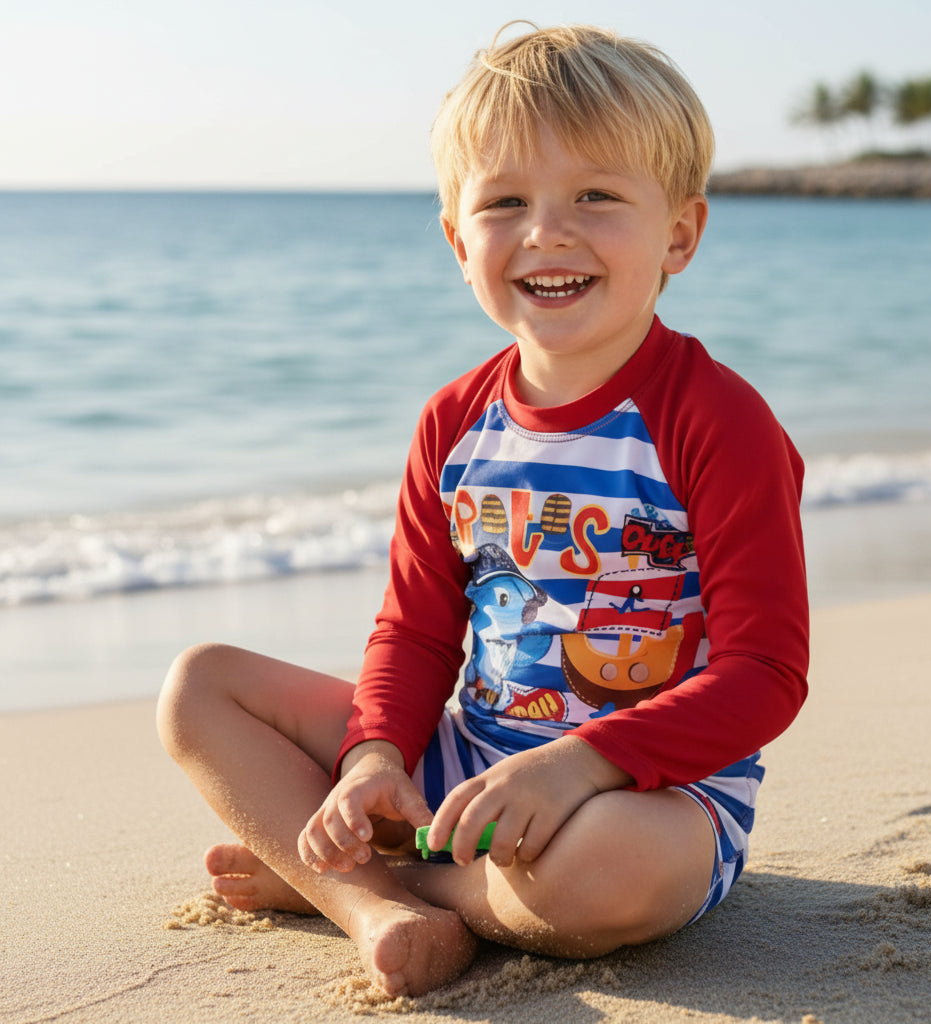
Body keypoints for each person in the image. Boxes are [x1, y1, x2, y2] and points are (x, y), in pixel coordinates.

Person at [157, 22, 809, 999]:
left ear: (679, 230)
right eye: (506, 202)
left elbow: (765, 674)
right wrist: (376, 757)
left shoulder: (716, 420)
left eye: (595, 195)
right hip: (469, 755)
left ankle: (363, 885)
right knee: (201, 685)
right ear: (461, 240)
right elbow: (417, 633)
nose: (546, 230)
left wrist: (578, 767)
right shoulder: (456, 423)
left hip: (644, 794)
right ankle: (379, 910)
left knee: (610, 871)